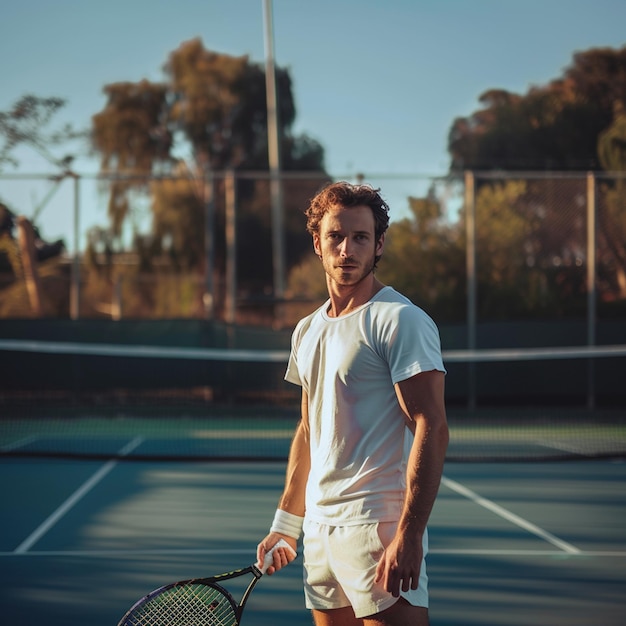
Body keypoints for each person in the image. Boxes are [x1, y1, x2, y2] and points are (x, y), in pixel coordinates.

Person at [257, 181, 449, 626]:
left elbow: (431, 425)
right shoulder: (305, 331)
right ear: (317, 244)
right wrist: (286, 525)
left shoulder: (402, 320)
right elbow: (309, 430)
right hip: (319, 531)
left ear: (379, 244)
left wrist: (409, 534)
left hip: (377, 528)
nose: (347, 249)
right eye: (336, 237)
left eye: (361, 237)